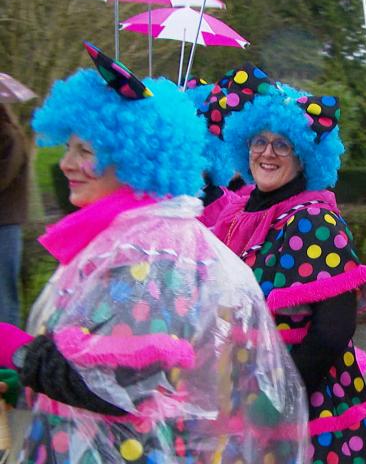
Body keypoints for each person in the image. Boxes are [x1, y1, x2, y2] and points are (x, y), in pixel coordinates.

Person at [0, 42, 309, 463]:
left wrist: (17, 351)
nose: (67, 163)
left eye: (86, 151)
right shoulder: (127, 235)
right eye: (68, 147)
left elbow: (118, 382)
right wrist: (28, 384)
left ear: (134, 157)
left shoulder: (154, 251)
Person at [200, 64, 366, 464]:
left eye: (282, 145)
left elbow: (333, 329)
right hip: (247, 395)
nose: (267, 153)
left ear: (305, 157)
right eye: (259, 141)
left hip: (307, 406)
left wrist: (279, 398)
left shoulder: (313, 218)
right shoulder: (241, 213)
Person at [0, 103, 28, 327]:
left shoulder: (9, 137)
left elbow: (3, 177)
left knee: (4, 293)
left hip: (5, 224)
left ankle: (8, 343)